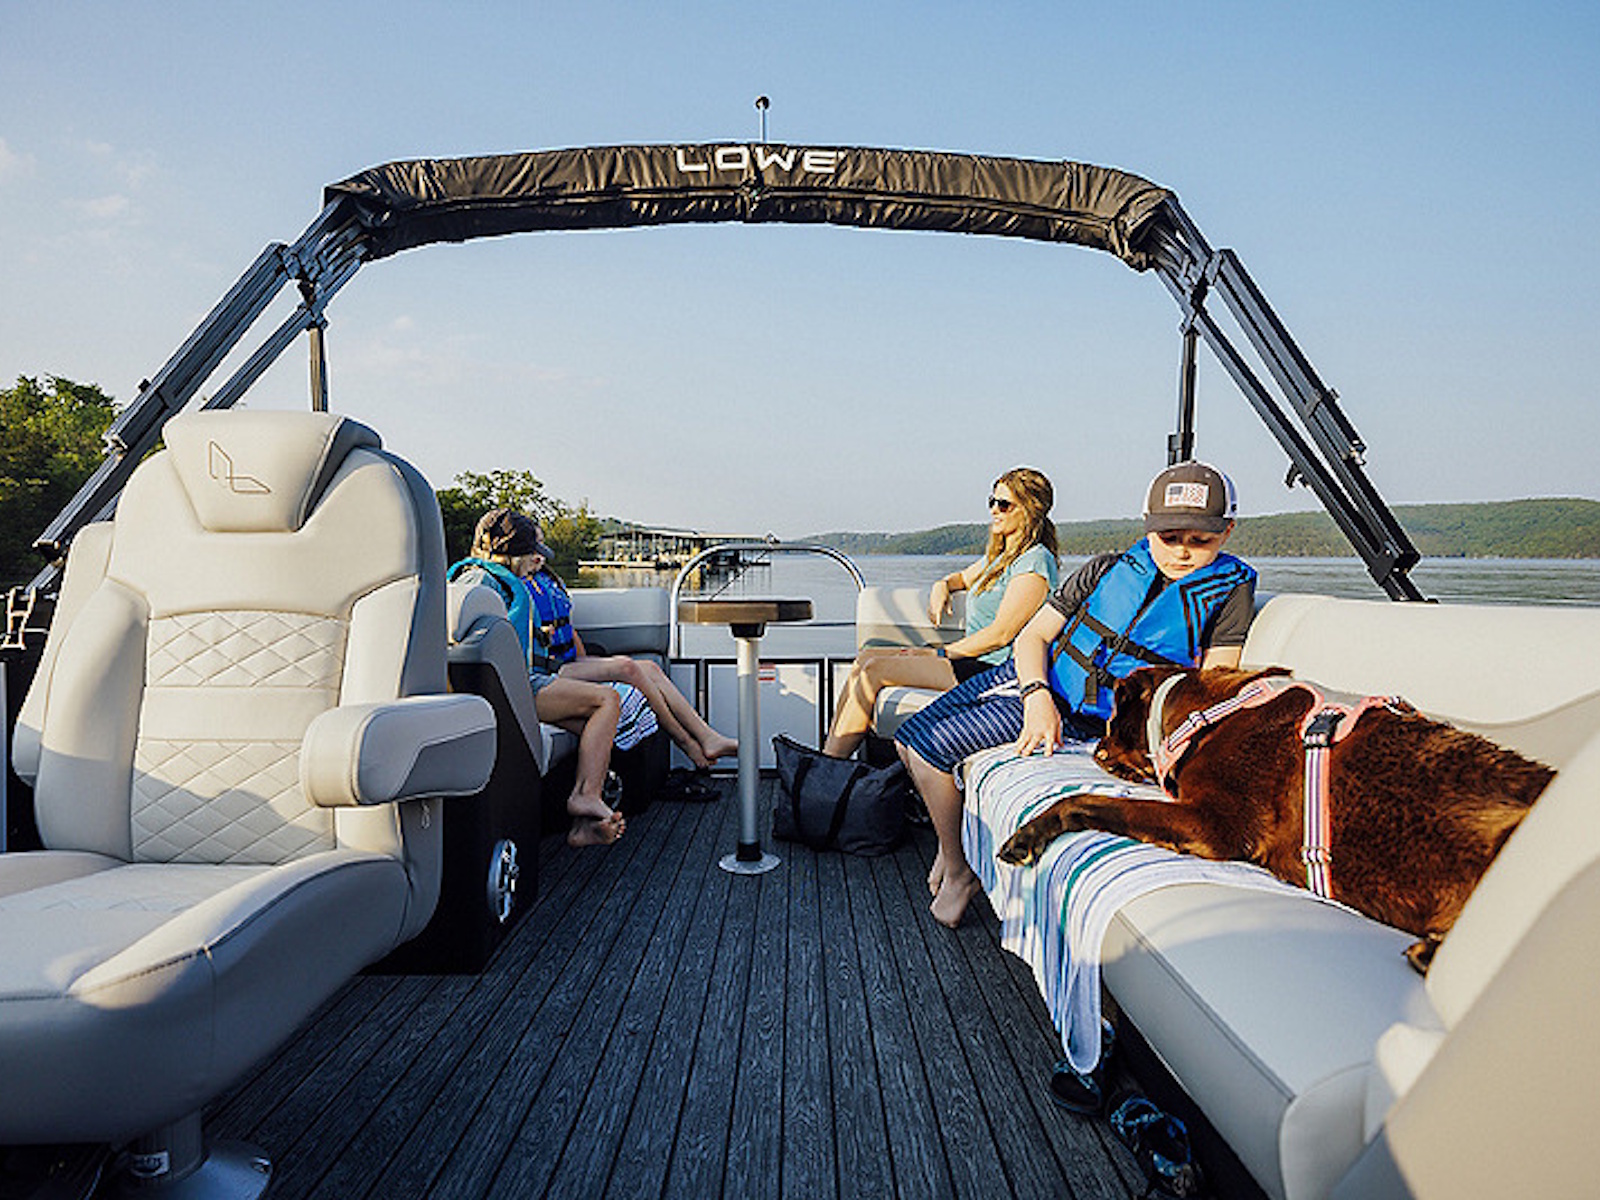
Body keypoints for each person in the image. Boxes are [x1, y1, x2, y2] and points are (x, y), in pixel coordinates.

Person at [894, 461, 1257, 927]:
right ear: (1148, 528)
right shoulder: (1106, 569)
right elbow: (1032, 637)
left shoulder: (1230, 594)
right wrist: (1036, 697)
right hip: (1036, 684)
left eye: (1200, 540)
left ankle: (960, 871)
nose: (1182, 552)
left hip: (1090, 718)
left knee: (927, 752)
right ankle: (953, 854)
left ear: (1227, 532)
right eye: (1169, 538)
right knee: (907, 738)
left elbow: (1214, 683)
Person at [822, 467, 1060, 760]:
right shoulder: (998, 559)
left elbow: (1001, 635)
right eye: (992, 502)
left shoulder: (1035, 561)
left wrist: (939, 653)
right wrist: (942, 585)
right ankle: (827, 756)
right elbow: (961, 578)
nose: (994, 511)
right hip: (971, 661)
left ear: (1030, 510)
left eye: (1004, 504)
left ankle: (828, 767)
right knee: (866, 658)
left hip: (995, 671)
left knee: (874, 671)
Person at [449, 509, 631, 848]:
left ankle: (581, 826)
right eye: (531, 553)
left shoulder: (492, 579)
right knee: (608, 701)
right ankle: (586, 796)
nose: (537, 562)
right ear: (512, 552)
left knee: (594, 728)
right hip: (509, 690)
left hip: (513, 684)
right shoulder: (481, 583)